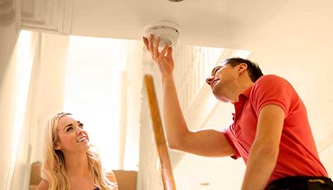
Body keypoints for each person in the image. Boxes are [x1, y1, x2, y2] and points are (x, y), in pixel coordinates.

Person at [143, 34, 333, 190]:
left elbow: (266, 148)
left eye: (217, 69)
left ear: (241, 68)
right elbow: (179, 140)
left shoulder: (267, 84)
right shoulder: (235, 132)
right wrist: (166, 75)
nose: (209, 79)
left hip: (306, 186)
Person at [37, 112, 118, 190]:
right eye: (69, 129)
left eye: (80, 125)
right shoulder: (48, 186)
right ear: (56, 145)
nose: (80, 131)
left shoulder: (107, 177)